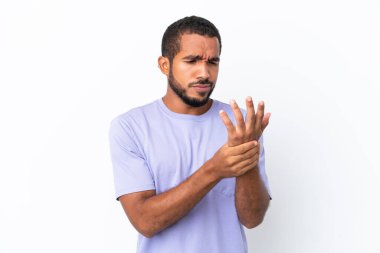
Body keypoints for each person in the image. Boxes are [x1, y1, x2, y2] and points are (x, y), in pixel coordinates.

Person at [109, 16, 271, 253]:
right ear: (165, 65)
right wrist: (215, 169)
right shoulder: (131, 126)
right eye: (191, 61)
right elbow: (145, 221)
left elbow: (252, 219)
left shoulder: (241, 125)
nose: (204, 73)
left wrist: (245, 162)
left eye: (212, 62)